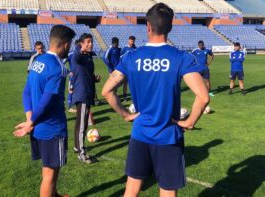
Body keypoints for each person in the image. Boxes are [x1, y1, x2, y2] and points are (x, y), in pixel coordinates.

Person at [102, 3, 209, 197]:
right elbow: (203, 96)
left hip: (140, 133)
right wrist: (190, 122)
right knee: (167, 193)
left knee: (131, 191)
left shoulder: (131, 57)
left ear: (148, 27)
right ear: (170, 28)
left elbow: (107, 91)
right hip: (168, 136)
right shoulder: (181, 57)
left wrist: (126, 115)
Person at [13, 25, 75, 197]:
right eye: (70, 43)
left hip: (38, 128)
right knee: (50, 174)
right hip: (52, 128)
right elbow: (46, 101)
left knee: (47, 168)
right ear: (65, 44)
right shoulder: (59, 68)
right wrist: (29, 123)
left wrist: (29, 119)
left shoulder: (37, 61)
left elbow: (27, 91)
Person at [71, 33, 101, 164]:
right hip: (82, 93)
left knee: (79, 123)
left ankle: (77, 146)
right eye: (88, 42)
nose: (91, 44)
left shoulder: (88, 57)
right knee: (83, 124)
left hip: (87, 92)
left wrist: (94, 78)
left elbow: (85, 73)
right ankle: (82, 153)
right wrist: (79, 49)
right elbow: (76, 56)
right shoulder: (78, 55)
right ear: (81, 44)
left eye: (92, 41)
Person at [121, 36, 137, 101]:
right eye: (131, 41)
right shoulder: (124, 49)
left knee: (133, 83)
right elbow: (121, 57)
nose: (132, 42)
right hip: (125, 69)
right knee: (125, 83)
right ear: (128, 40)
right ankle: (125, 97)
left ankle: (133, 97)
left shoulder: (135, 48)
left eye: (133, 41)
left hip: (133, 69)